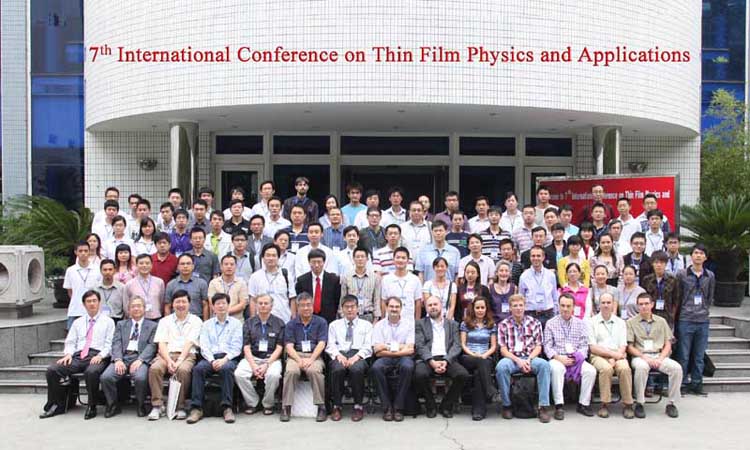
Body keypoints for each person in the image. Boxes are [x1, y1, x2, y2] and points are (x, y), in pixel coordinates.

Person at [40, 290, 115, 419]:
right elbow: (70, 341)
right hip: (78, 356)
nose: (92, 304)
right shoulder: (78, 322)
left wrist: (101, 356)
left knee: (91, 372)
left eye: (94, 301)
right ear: (84, 304)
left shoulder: (108, 321)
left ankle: (92, 405)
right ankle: (56, 404)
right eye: (89, 301)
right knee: (53, 370)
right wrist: (68, 354)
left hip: (98, 356)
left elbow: (110, 344)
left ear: (99, 303)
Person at [186, 293, 243, 424]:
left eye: (224, 303)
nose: (221, 306)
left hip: (228, 358)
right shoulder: (206, 324)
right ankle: (196, 408)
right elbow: (204, 346)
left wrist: (224, 360)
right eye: (218, 304)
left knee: (227, 369)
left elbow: (236, 347)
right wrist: (212, 360)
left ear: (228, 305)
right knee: (198, 369)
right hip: (210, 358)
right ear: (213, 307)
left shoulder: (236, 324)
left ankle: (227, 408)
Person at [495, 293, 552, 423]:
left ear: (525, 307)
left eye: (521, 305)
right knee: (501, 368)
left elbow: (538, 346)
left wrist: (528, 360)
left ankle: (543, 406)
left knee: (544, 365)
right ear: (510, 308)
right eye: (515, 306)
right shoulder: (503, 325)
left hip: (530, 357)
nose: (518, 308)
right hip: (512, 359)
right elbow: (503, 349)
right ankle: (507, 405)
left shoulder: (535, 323)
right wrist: (518, 361)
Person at [147, 290, 203, 420]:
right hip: (166, 354)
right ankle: (157, 405)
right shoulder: (165, 321)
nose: (181, 305)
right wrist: (168, 361)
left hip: (187, 355)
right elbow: (161, 343)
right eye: (178, 302)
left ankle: (180, 407)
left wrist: (179, 360)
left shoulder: (196, 321)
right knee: (155, 368)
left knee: (183, 370)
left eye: (184, 302)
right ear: (172, 304)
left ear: (189, 304)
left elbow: (190, 343)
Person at [627, 292, 682, 418]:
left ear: (652, 304)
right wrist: (644, 357)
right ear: (637, 306)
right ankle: (640, 402)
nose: (644, 306)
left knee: (677, 368)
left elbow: (668, 343)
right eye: (641, 304)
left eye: (646, 303)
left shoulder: (661, 321)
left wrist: (661, 358)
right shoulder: (630, 322)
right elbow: (630, 347)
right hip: (640, 356)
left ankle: (672, 403)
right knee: (641, 368)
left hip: (659, 355)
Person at [100, 296, 157, 418]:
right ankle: (113, 405)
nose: (136, 309)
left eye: (139, 306)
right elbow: (116, 342)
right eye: (133, 306)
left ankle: (141, 404)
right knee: (106, 377)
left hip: (140, 357)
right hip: (123, 357)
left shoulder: (153, 325)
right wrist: (118, 359)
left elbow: (152, 345)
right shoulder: (121, 324)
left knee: (140, 377)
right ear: (129, 309)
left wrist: (140, 360)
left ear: (144, 308)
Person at [414, 296, 470, 418]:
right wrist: (431, 361)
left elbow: (457, 345)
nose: (433, 307)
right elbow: (420, 345)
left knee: (462, 375)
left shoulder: (453, 324)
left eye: (435, 304)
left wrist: (446, 360)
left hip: (447, 358)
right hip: (428, 359)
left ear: (441, 306)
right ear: (426, 308)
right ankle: (430, 404)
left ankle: (446, 405)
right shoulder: (420, 324)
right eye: (430, 305)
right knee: (419, 374)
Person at [543, 293, 596, 419]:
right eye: (562, 306)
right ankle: (559, 405)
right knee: (557, 369)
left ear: (573, 307)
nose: (565, 309)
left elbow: (584, 346)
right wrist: (558, 358)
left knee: (590, 371)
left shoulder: (581, 324)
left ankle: (583, 404)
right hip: (558, 357)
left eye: (568, 306)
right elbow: (547, 346)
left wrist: (576, 358)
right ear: (558, 306)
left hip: (576, 359)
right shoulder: (550, 323)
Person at [234, 294, 285, 415]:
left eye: (266, 303)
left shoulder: (279, 323)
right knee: (239, 374)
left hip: (271, 359)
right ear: (256, 305)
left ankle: (268, 404)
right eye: (260, 303)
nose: (263, 306)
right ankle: (253, 402)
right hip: (252, 358)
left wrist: (267, 364)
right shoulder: (248, 323)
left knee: (274, 375)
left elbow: (279, 348)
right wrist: (253, 366)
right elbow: (246, 347)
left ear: (271, 306)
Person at [281, 292, 329, 422]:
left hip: (314, 356)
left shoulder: (321, 322)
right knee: (291, 371)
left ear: (313, 306)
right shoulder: (291, 324)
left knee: (314, 371)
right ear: (297, 307)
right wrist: (299, 360)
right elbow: (289, 346)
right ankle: (286, 406)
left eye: (308, 305)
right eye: (302, 305)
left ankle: (321, 406)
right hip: (295, 356)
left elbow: (322, 343)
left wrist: (311, 359)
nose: (306, 308)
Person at [326, 295, 373, 421]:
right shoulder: (334, 325)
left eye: (352, 307)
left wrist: (356, 357)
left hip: (359, 354)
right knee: (337, 369)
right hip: (340, 353)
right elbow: (330, 345)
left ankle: (358, 406)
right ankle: (337, 406)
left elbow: (368, 346)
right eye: (346, 307)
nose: (350, 310)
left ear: (358, 308)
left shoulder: (367, 325)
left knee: (356, 369)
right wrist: (338, 355)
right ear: (342, 309)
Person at [587, 292, 634, 419]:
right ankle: (604, 404)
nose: (606, 305)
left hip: (618, 354)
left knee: (624, 368)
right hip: (598, 355)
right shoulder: (591, 322)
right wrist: (612, 356)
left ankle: (628, 404)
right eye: (603, 303)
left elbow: (623, 345)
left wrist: (615, 357)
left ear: (613, 304)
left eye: (609, 302)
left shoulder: (621, 322)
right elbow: (592, 347)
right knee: (606, 369)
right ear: (599, 305)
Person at [676, 244, 714, 396]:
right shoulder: (682, 274)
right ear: (691, 256)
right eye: (696, 253)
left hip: (703, 320)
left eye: (701, 253)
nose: (698, 256)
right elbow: (678, 295)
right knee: (684, 355)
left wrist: (704, 309)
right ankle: (683, 383)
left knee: (699, 355)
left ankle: (697, 384)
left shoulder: (710, 275)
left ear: (705, 257)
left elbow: (710, 296)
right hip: (685, 318)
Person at [370, 296, 416, 422]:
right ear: (386, 307)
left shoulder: (409, 324)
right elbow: (377, 351)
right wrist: (400, 348)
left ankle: (398, 407)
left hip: (402, 357)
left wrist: (386, 346)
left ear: (401, 308)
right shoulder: (379, 325)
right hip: (387, 357)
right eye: (391, 306)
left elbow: (410, 349)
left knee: (408, 367)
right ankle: (387, 408)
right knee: (376, 368)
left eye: (397, 307)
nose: (394, 309)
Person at [459, 297, 498, 420]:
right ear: (473, 309)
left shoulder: (491, 324)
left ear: (486, 309)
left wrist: (485, 355)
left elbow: (493, 346)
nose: (480, 310)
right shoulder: (465, 323)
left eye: (482, 307)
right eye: (477, 307)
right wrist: (473, 354)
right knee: (481, 363)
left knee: (478, 373)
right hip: (468, 357)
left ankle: (478, 411)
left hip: (485, 356)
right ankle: (489, 389)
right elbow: (463, 344)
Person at [247, 244, 295, 322]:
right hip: (261, 321)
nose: (271, 258)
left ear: (278, 258)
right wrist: (253, 320)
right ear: (263, 258)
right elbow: (252, 299)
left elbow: (292, 298)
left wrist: (293, 319)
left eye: (274, 255)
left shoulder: (286, 275)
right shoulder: (255, 276)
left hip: (283, 319)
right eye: (268, 255)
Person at [63, 242, 104, 329]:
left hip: (94, 311)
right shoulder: (70, 270)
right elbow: (70, 291)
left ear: (89, 252)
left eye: (86, 251)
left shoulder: (97, 269)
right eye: (80, 251)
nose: (83, 253)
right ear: (76, 252)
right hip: (75, 310)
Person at [519, 246, 559, 327]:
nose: (535, 258)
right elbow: (521, 297)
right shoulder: (524, 276)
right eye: (533, 256)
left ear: (543, 257)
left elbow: (554, 297)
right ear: (530, 257)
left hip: (548, 314)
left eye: (538, 256)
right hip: (530, 314)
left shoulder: (550, 275)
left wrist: (555, 314)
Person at [641, 250, 681, 330]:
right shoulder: (647, 280)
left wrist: (672, 315)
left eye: (661, 263)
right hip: (651, 315)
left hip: (667, 317)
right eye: (656, 262)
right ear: (652, 264)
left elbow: (676, 300)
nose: (659, 265)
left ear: (666, 264)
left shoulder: (672, 280)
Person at [340, 247, 381, 323]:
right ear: (353, 259)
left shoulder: (375, 277)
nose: (360, 259)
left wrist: (376, 319)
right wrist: (343, 316)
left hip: (368, 315)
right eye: (357, 257)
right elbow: (342, 298)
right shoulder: (346, 277)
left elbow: (376, 300)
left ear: (367, 259)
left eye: (362, 256)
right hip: (351, 316)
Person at [380, 247, 422, 320]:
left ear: (408, 261)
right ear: (393, 260)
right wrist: (383, 320)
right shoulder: (386, 279)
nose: (400, 260)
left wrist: (417, 322)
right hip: (390, 320)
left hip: (409, 320)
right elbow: (383, 301)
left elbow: (418, 303)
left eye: (403, 258)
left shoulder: (415, 279)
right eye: (398, 257)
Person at [165, 254, 209, 318]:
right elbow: (167, 306)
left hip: (196, 319)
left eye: (188, 263)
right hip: (176, 320)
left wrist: (205, 322)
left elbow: (205, 305)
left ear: (193, 266)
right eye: (182, 264)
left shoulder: (202, 283)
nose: (185, 266)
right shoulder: (171, 284)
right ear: (178, 267)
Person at [208, 254, 250, 321]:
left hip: (236, 320)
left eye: (232, 264)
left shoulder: (242, 283)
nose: (229, 266)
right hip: (217, 320)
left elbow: (242, 304)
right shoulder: (213, 283)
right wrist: (222, 312)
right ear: (221, 267)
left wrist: (225, 312)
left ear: (236, 266)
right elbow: (211, 303)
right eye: (226, 264)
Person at [123, 254, 166, 320]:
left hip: (155, 318)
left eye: (147, 263)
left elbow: (161, 301)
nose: (144, 265)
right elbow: (126, 305)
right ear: (136, 265)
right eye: (141, 263)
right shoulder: (129, 284)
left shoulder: (159, 282)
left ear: (151, 265)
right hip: (136, 319)